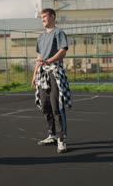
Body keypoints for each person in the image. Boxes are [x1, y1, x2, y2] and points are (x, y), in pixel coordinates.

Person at [32, 8, 72, 154]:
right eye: (41, 17)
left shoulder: (59, 33)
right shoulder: (41, 37)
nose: (42, 19)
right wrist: (35, 74)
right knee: (45, 105)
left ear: (53, 17)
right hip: (43, 74)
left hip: (55, 72)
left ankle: (62, 139)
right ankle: (52, 135)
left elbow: (62, 50)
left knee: (57, 106)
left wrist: (49, 61)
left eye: (45, 17)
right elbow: (39, 55)